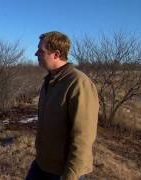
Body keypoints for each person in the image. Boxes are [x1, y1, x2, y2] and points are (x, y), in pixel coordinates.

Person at [26, 31, 99, 180]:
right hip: (43, 165)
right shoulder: (49, 81)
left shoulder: (78, 83)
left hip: (63, 171)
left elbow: (83, 137)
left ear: (56, 54)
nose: (36, 53)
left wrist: (70, 175)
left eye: (41, 50)